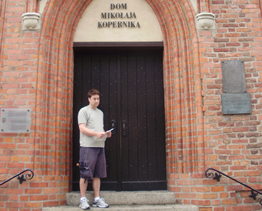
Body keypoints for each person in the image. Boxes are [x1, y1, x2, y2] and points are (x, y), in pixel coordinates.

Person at [78, 88, 111, 209]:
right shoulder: (83, 111)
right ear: (89, 99)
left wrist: (105, 133)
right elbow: (82, 128)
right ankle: (82, 199)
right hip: (87, 146)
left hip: (99, 146)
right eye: (94, 99)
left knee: (98, 174)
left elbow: (99, 129)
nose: (97, 101)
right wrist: (96, 134)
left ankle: (97, 199)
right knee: (85, 173)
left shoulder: (100, 113)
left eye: (98, 99)